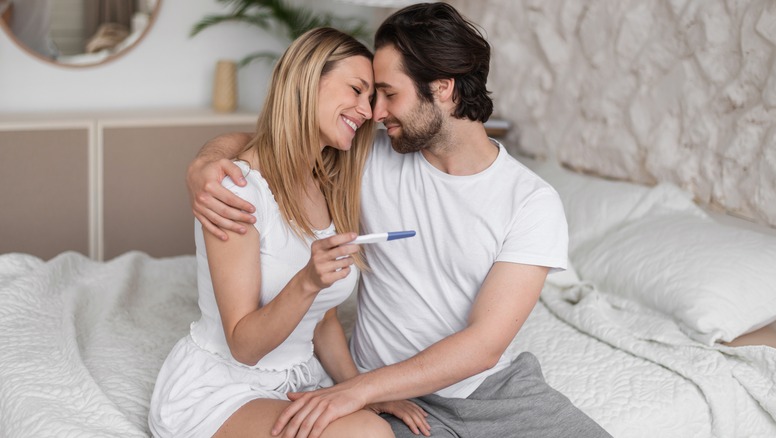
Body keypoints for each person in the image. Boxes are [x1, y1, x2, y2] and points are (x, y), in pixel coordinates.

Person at [186, 3, 613, 438]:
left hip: (485, 391)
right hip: (384, 396)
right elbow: (279, 140)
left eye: (389, 94)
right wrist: (207, 162)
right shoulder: (366, 156)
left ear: (443, 89)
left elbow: (483, 346)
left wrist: (356, 390)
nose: (375, 112)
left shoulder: (531, 202)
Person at [148, 27, 430, 438]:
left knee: (370, 423)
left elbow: (324, 320)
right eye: (356, 90)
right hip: (224, 390)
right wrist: (308, 280)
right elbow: (244, 346)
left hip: (297, 381)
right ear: (307, 81)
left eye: (371, 99)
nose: (368, 112)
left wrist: (362, 391)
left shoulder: (328, 184)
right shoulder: (237, 190)